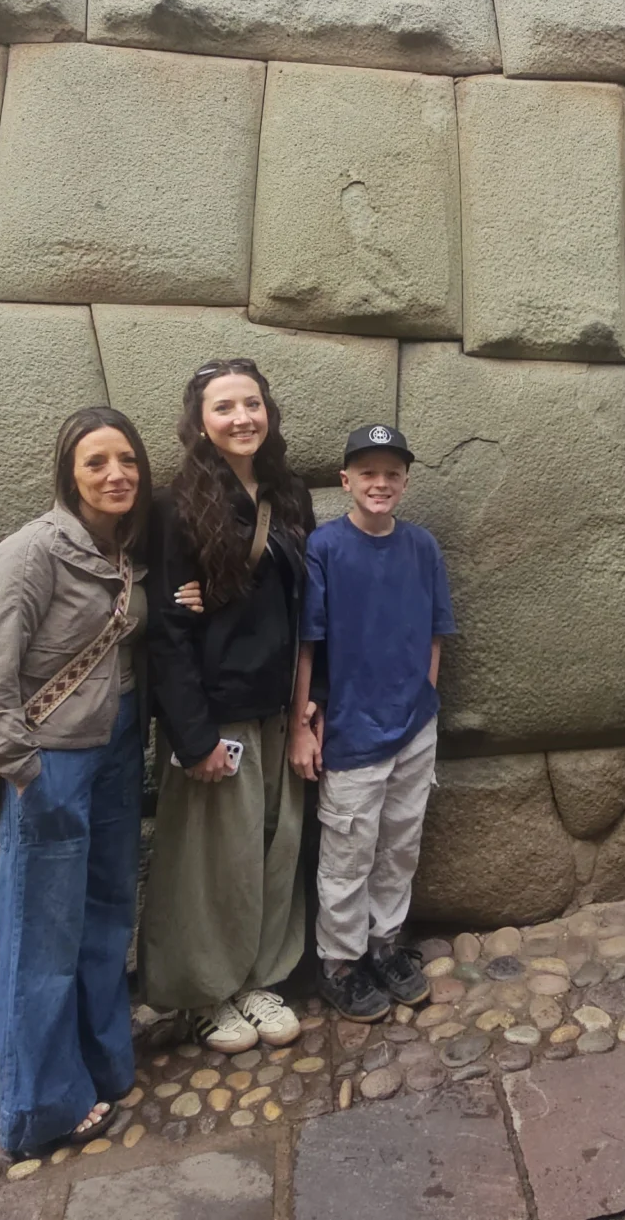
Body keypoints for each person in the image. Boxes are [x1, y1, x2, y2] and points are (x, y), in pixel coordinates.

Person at [0, 406, 153, 1158]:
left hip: (116, 747)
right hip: (53, 761)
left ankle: (102, 1063)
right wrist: (24, 769)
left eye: (127, 460)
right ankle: (40, 1108)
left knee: (106, 913)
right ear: (69, 474)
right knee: (42, 931)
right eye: (96, 462)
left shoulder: (125, 549)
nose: (116, 474)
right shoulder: (31, 552)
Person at [139, 358, 317, 1053]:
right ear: (199, 421)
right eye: (224, 407)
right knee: (209, 861)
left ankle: (257, 977)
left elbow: (304, 607)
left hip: (276, 705)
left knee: (274, 849)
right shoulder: (176, 506)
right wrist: (193, 735)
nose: (241, 417)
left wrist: (305, 711)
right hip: (218, 714)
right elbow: (167, 630)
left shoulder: (288, 495)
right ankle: (202, 991)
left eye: (252, 403)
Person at [292, 424, 458, 1022]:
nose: (380, 483)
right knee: (348, 851)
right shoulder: (325, 548)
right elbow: (307, 642)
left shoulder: (422, 547)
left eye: (392, 473)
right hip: (351, 729)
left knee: (400, 844)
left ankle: (385, 944)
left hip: (413, 724)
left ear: (406, 482)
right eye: (368, 473)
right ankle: (339, 961)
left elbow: (436, 630)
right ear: (346, 481)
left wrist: (424, 697)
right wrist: (300, 722)